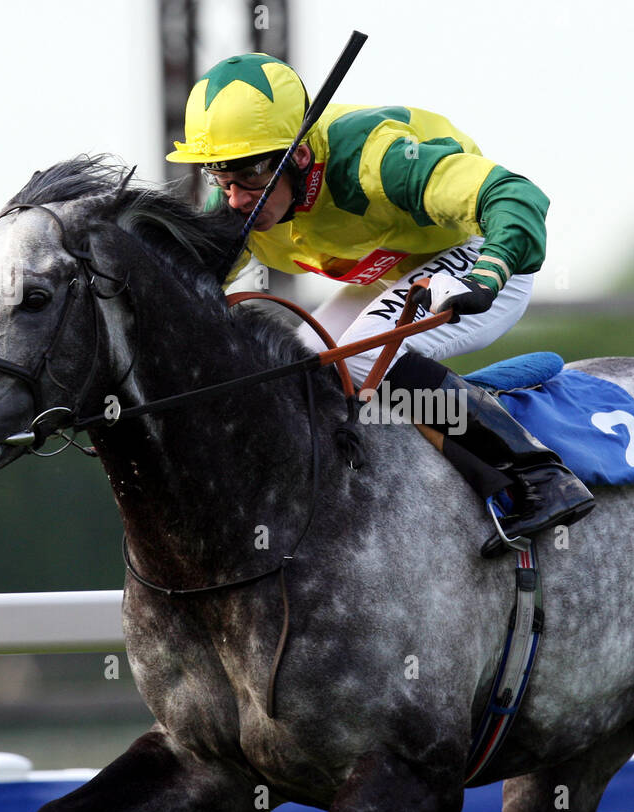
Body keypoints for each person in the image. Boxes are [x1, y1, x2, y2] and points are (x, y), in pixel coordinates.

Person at [167, 52, 593, 557]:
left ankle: (540, 476)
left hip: (480, 257)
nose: (237, 199)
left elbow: (515, 195)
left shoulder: (376, 159)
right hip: (397, 273)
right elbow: (184, 293)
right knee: (299, 370)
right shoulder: (237, 202)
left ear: (298, 157)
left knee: (361, 356)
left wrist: (489, 272)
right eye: (221, 178)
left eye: (251, 176)